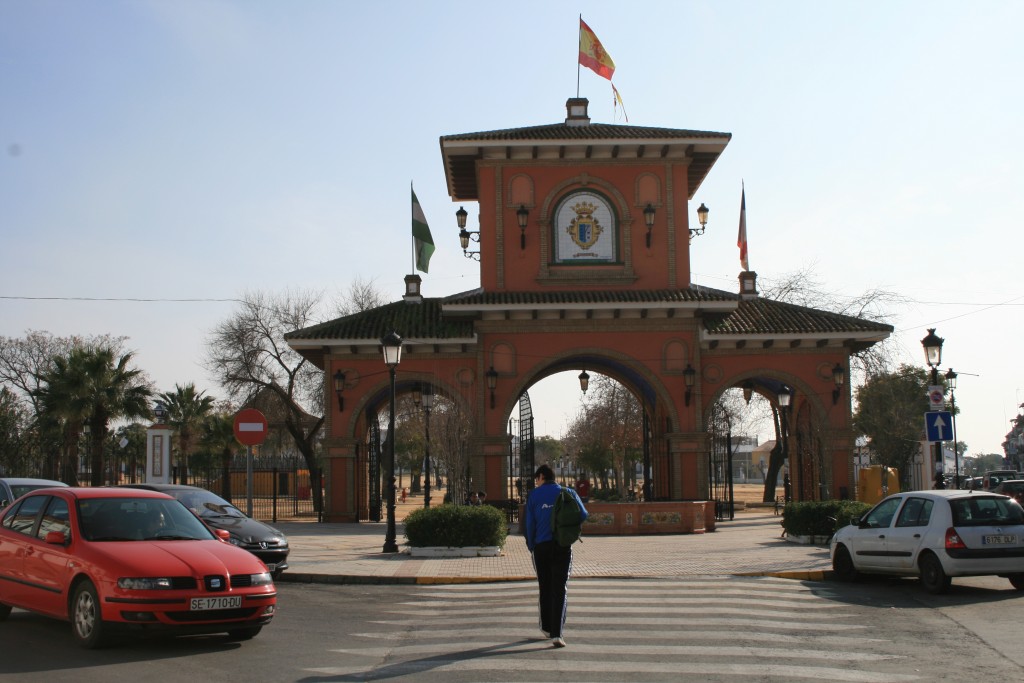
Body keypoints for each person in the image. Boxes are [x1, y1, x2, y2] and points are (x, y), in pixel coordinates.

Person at [524, 463, 588, 649]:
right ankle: (557, 633)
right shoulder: (568, 492)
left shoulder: (534, 495)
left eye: (537, 479)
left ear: (542, 477)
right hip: (562, 546)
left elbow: (529, 524)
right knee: (560, 588)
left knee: (544, 586)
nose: (536, 482)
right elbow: (583, 514)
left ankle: (545, 627)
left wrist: (531, 545)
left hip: (541, 547)